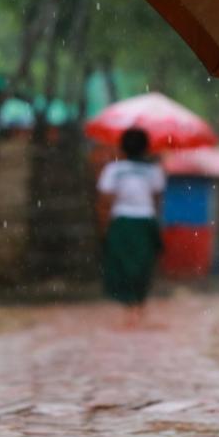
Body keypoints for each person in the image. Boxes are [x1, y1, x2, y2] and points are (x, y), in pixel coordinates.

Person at [97, 127, 165, 308]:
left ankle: (127, 308)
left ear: (122, 147)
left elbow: (104, 202)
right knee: (143, 265)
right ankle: (139, 305)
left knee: (122, 266)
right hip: (145, 222)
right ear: (146, 147)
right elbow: (157, 201)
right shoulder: (154, 171)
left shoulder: (113, 170)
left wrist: (104, 229)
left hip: (122, 222)